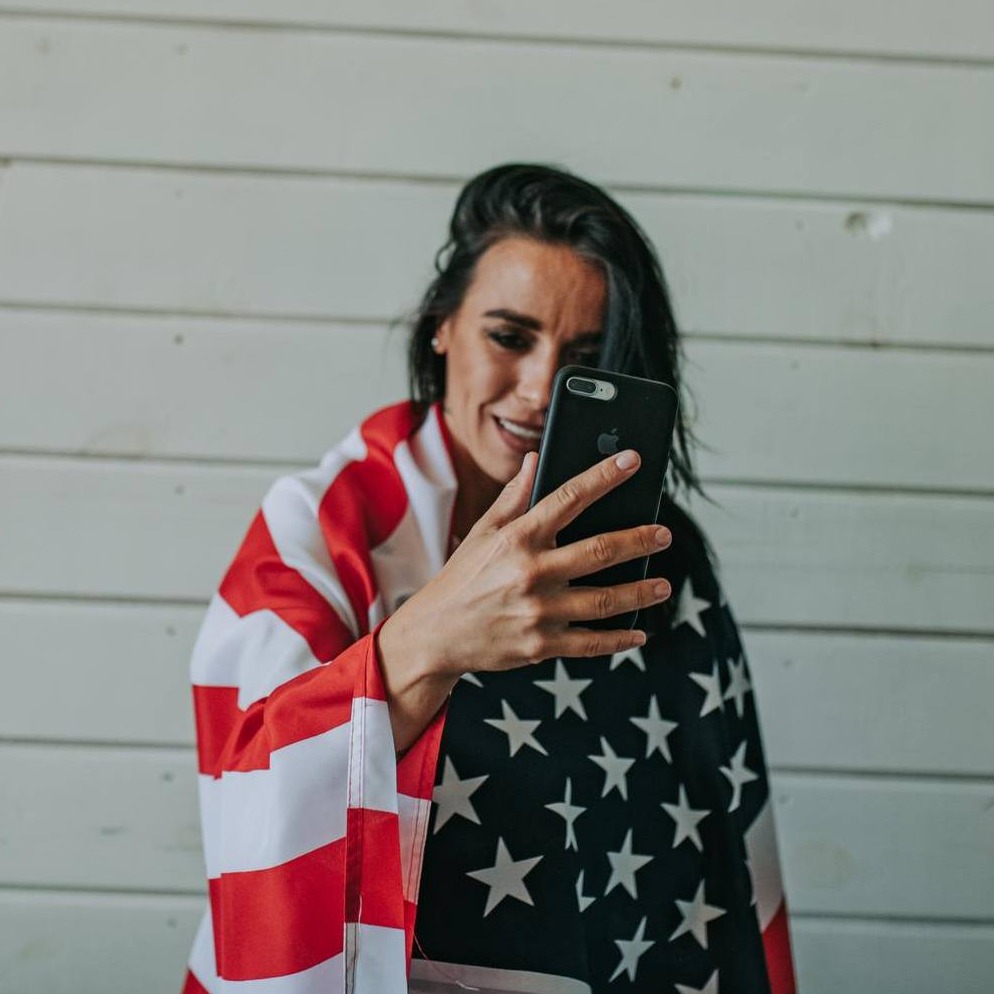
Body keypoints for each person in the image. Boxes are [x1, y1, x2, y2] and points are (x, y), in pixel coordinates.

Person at [182, 164, 796, 994]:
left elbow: (714, 852)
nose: (541, 389)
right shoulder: (321, 530)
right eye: (509, 337)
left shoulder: (653, 554)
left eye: (585, 358)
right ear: (441, 328)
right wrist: (432, 640)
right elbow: (246, 795)